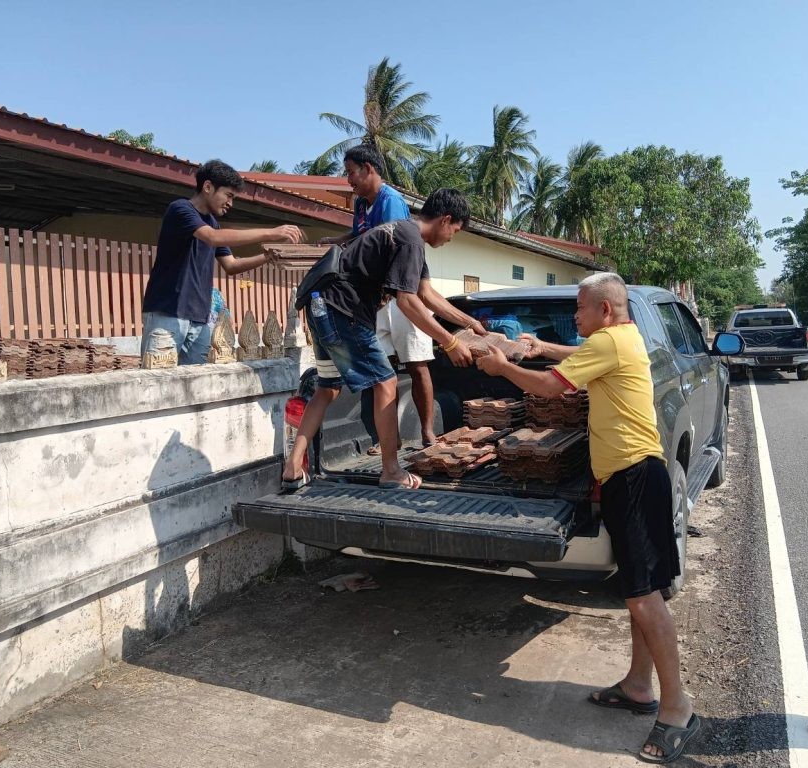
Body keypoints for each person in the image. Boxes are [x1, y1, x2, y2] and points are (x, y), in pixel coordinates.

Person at [475, 272, 699, 764]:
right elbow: (580, 357)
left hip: (635, 478)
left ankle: (678, 708)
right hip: (632, 477)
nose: (574, 316)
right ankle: (639, 686)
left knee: (644, 599)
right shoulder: (623, 338)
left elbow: (548, 389)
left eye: (579, 308)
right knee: (640, 588)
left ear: (604, 310)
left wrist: (502, 366)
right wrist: (543, 346)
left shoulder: (609, 342)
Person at [281, 188, 485, 491]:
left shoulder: (405, 235)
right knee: (386, 382)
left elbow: (426, 294)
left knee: (327, 388)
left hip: (320, 306)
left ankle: (292, 467)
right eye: (455, 230)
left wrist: (470, 323)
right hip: (342, 310)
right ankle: (391, 471)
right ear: (445, 219)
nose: (452, 237)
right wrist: (450, 342)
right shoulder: (410, 239)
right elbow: (407, 301)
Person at [320, 144, 443, 451]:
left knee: (416, 363)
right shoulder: (362, 204)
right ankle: (390, 438)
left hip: (401, 292)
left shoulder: (391, 201)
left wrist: (389, 293)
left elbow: (391, 246)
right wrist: (335, 241)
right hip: (376, 298)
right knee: (381, 369)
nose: (349, 180)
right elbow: (361, 238)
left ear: (369, 169)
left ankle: (427, 432)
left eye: (351, 173)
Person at [141, 159, 304, 364]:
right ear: (208, 187)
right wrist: (272, 233)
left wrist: (268, 256)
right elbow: (212, 238)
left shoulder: (213, 224)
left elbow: (231, 265)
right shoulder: (180, 209)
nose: (230, 203)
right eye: (228, 195)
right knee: (159, 378)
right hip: (167, 312)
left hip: (200, 318)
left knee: (197, 381)